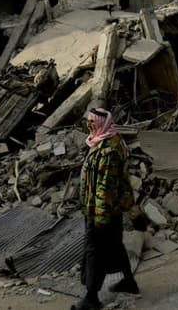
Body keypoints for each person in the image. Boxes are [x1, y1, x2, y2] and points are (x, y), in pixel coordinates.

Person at [72, 108, 139, 310]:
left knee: (95, 250)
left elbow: (105, 186)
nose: (89, 125)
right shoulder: (100, 141)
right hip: (102, 208)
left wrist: (100, 217)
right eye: (88, 122)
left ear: (102, 123)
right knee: (115, 245)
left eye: (92, 122)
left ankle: (91, 298)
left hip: (102, 210)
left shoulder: (109, 149)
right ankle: (129, 282)